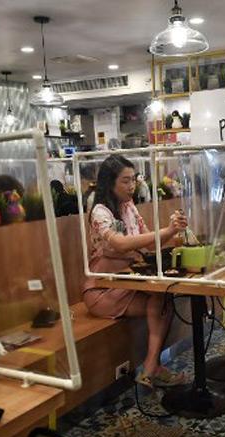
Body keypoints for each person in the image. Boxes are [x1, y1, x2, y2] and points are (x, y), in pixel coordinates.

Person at [82, 154, 188, 388]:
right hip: (104, 288)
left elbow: (149, 244)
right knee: (161, 302)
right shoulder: (100, 212)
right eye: (125, 181)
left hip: (128, 281)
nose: (132, 186)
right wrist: (166, 230)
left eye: (134, 180)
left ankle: (151, 367)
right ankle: (153, 367)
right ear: (110, 183)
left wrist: (172, 232)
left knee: (163, 300)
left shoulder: (129, 207)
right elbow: (119, 244)